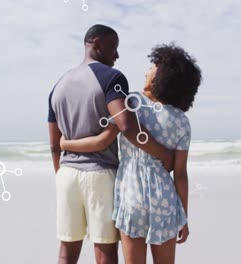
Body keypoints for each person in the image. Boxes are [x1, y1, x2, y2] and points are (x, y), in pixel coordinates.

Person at [60, 43, 202, 264]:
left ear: (161, 76)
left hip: (131, 197)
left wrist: (66, 143)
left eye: (152, 67)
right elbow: (180, 173)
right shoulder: (182, 122)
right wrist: (183, 216)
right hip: (164, 202)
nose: (147, 71)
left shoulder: (132, 103)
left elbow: (103, 139)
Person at [47, 25, 174, 264]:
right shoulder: (111, 77)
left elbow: (55, 145)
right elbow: (126, 125)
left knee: (66, 251)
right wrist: (163, 154)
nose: (116, 55)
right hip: (100, 176)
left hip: (66, 176)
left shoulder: (58, 86)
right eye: (113, 47)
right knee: (105, 251)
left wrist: (62, 174)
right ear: (96, 44)